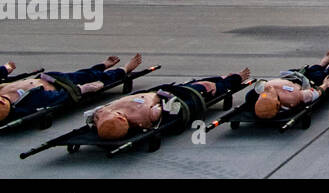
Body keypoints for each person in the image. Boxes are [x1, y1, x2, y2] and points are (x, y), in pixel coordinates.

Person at [91, 68, 251, 140]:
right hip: (174, 96)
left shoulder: (104, 112)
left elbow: (94, 116)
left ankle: (223, 78)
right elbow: (165, 109)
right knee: (208, 87)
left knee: (201, 85)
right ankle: (233, 79)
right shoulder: (143, 118)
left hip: (162, 92)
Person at [0, 54, 143, 123]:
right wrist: (83, 89)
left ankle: (101, 66)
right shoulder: (27, 101)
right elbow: (58, 97)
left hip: (47, 77)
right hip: (63, 85)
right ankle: (123, 70)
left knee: (84, 73)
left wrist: (5, 69)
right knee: (96, 79)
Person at [250, 51, 329, 119]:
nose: (268, 89)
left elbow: (260, 91)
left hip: (290, 75)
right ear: (277, 103)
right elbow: (313, 94)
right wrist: (325, 85)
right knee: (322, 75)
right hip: (306, 83)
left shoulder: (256, 94)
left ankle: (321, 64)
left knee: (309, 70)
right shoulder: (291, 98)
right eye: (269, 93)